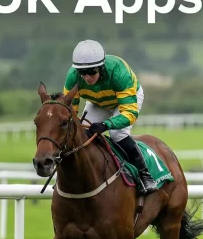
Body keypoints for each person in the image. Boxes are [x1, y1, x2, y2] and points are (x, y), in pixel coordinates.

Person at [62, 39, 158, 195]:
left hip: (125, 101)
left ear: (101, 67)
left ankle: (145, 175)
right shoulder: (73, 76)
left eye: (92, 71)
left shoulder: (118, 72)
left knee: (117, 134)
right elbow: (69, 111)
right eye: (83, 73)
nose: (87, 77)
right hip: (97, 102)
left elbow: (129, 114)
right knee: (82, 136)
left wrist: (106, 124)